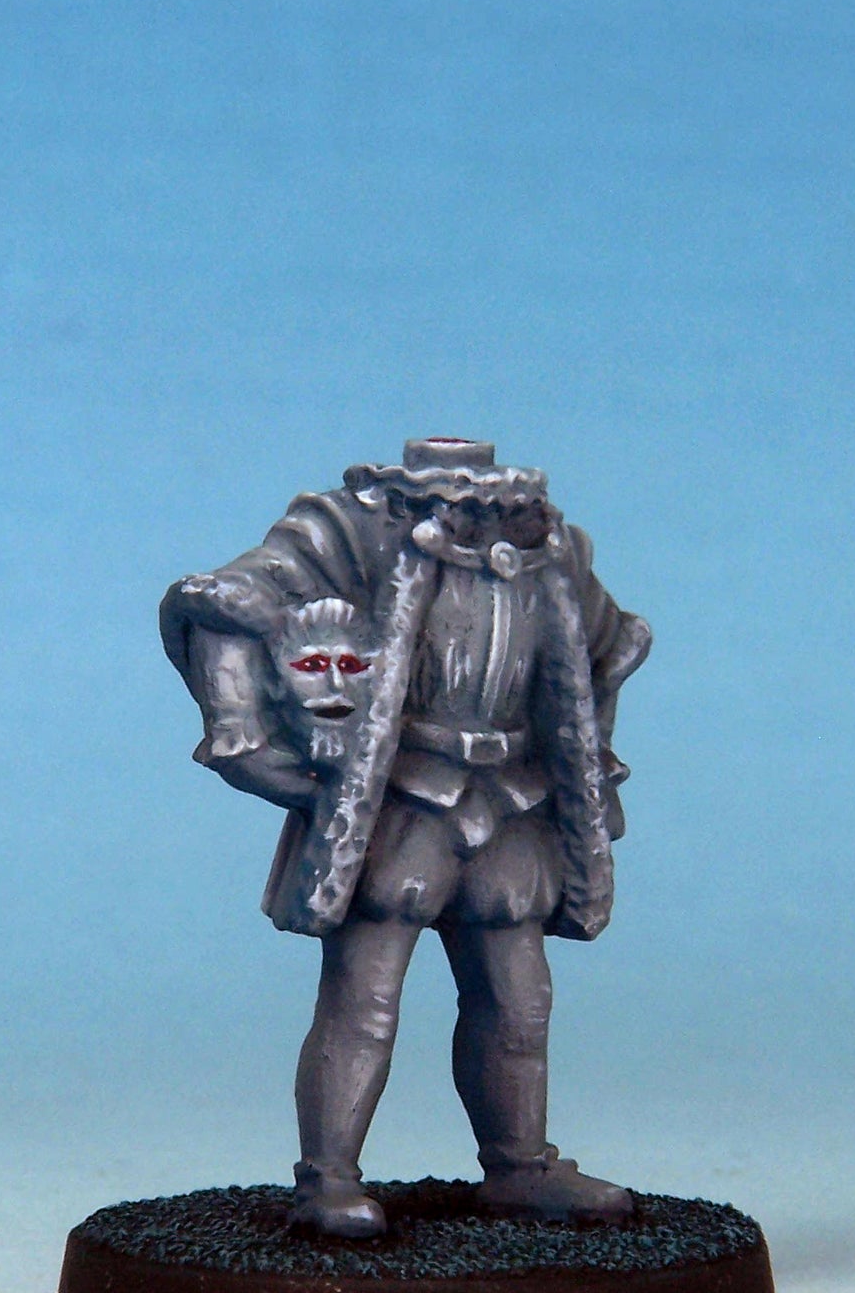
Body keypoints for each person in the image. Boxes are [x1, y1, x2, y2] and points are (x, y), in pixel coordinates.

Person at [161, 437, 651, 1238]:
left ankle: (519, 1166)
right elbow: (227, 602)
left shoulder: (548, 546)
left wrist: (586, 763)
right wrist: (241, 727)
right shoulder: (351, 529)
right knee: (365, 997)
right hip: (394, 794)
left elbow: (607, 647)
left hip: (512, 797)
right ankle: (327, 1179)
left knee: (519, 999)